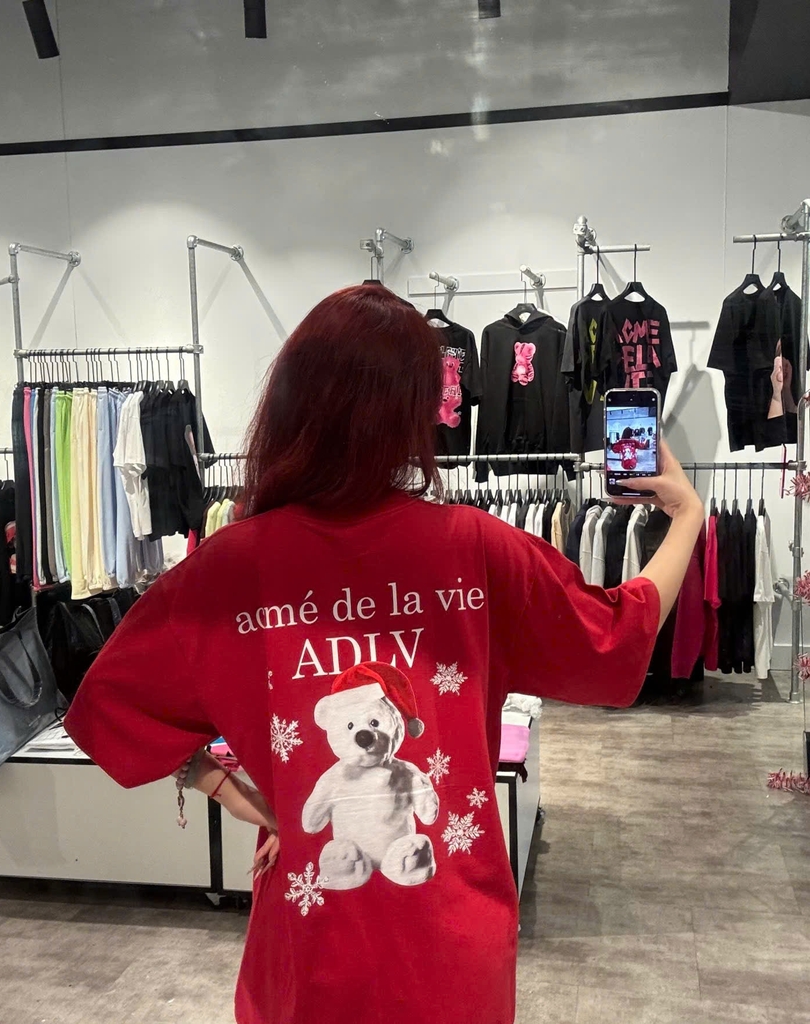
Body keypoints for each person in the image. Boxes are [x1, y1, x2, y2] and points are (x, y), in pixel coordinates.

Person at [65, 284, 703, 1024]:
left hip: (309, 950)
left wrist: (242, 798)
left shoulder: (229, 568)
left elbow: (109, 707)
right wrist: (685, 513)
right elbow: (619, 638)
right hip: (448, 950)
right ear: (415, 409)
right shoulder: (477, 549)